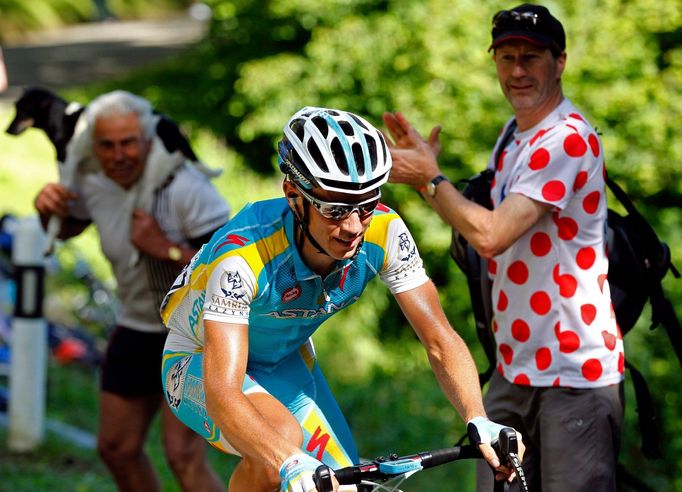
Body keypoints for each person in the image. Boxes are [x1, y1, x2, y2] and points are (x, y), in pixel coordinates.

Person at [159, 106, 523, 492]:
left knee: (344, 487)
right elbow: (223, 392)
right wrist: (288, 461)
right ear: (293, 196)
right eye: (335, 209)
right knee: (280, 447)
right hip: (199, 362)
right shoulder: (243, 257)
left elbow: (438, 338)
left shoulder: (384, 231)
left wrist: (478, 416)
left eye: (366, 206)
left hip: (285, 361)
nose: (352, 226)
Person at [383, 4, 624, 491]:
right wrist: (429, 174)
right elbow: (482, 230)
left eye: (531, 57)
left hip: (573, 372)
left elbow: (491, 234)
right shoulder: (515, 135)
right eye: (506, 56)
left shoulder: (567, 139)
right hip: (516, 368)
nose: (517, 70)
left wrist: (429, 180)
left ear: (560, 62)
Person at [33, 91, 229, 492]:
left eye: (128, 143)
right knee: (116, 448)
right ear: (93, 146)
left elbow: (231, 271)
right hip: (138, 322)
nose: (119, 155)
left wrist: (166, 248)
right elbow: (71, 226)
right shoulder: (93, 181)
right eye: (107, 145)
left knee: (183, 454)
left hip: (194, 333)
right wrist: (47, 210)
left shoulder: (185, 187)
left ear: (148, 140)